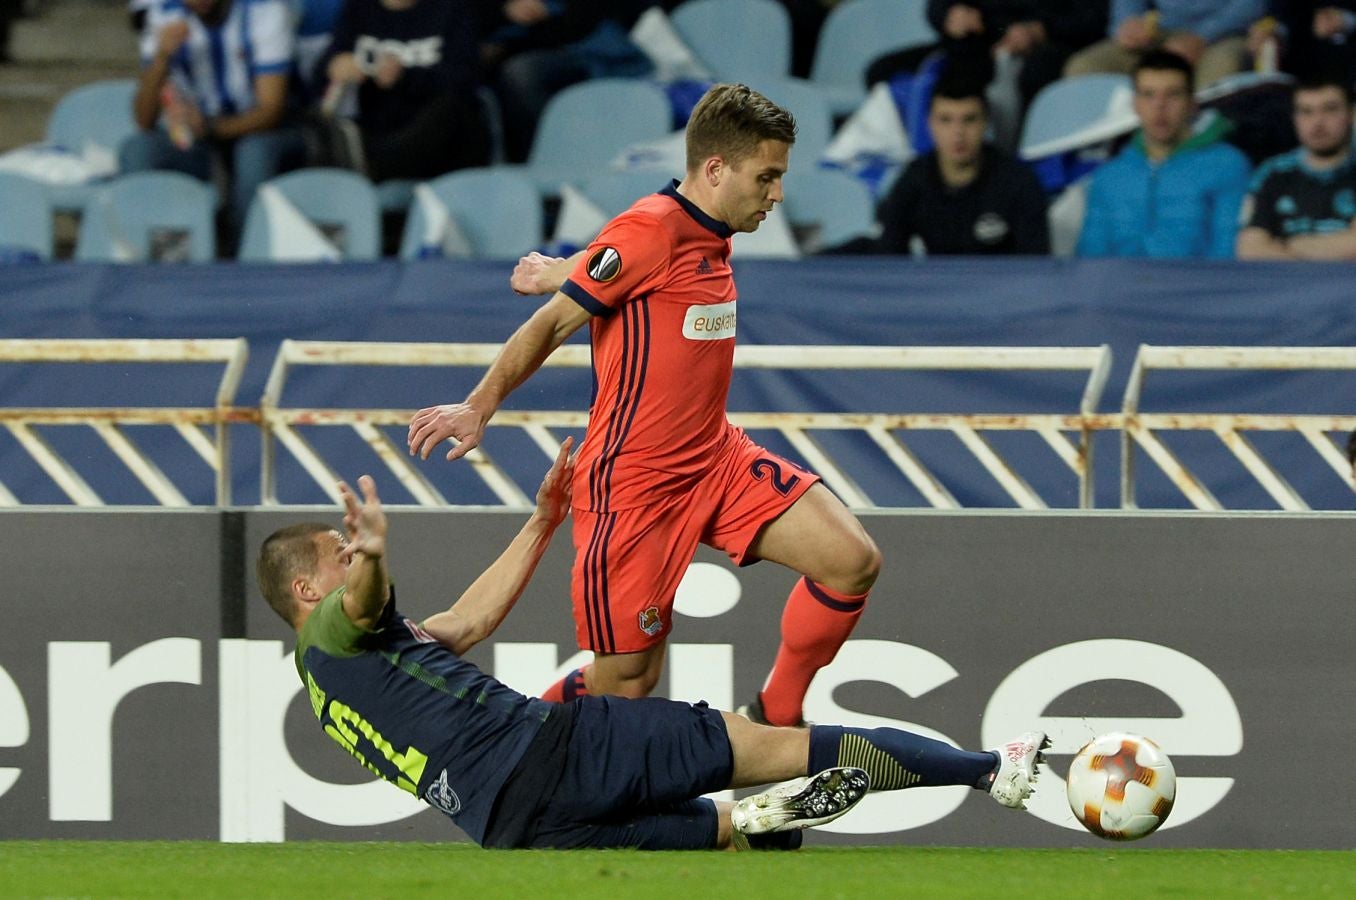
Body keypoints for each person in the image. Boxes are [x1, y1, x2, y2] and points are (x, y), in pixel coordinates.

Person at [256, 441, 1049, 849]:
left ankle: (761, 826)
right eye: (338, 552)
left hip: (514, 828)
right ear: (307, 590)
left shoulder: (332, 685)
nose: (349, 556)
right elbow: (358, 603)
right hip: (562, 750)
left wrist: (542, 522)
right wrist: (376, 556)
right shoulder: (333, 624)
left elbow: (464, 625)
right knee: (776, 745)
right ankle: (992, 772)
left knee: (720, 829)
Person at [407, 83, 881, 729]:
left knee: (851, 561)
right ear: (716, 170)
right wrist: (478, 406)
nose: (777, 194)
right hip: (633, 486)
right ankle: (515, 754)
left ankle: (779, 711)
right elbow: (552, 321)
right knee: (626, 688)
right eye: (767, 177)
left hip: (714, 459)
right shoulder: (651, 229)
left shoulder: (708, 227)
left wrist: (564, 266)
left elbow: (620, 266)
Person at [120, 0, 309, 244]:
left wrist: (209, 127)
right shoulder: (164, 15)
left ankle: (247, 256)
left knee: (252, 154)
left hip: (269, 133)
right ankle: (138, 260)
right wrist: (161, 58)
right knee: (138, 149)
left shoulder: (264, 9)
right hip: (201, 140)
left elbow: (271, 112)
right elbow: (143, 121)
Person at [1077, 50, 1252, 259]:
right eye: (1148, 94)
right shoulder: (1108, 177)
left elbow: (1227, 253)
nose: (1159, 107)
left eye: (1173, 94)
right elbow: (1089, 259)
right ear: (1135, 104)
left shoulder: (1227, 165)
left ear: (1191, 104)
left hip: (1196, 288)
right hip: (1120, 288)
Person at [874, 74, 1049, 255]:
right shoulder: (913, 181)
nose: (958, 133)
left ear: (985, 123)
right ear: (930, 124)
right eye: (945, 120)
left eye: (969, 119)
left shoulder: (1019, 182)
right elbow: (889, 258)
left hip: (1003, 283)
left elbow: (1037, 266)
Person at [316, 0, 490, 183]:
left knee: (450, 110)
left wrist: (404, 76)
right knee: (326, 125)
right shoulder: (358, 9)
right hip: (376, 130)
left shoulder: (452, 9)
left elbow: (466, 81)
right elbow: (321, 75)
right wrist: (335, 65)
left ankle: (372, 165)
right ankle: (364, 163)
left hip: (439, 136)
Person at [1237, 74, 1356, 259]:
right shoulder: (1273, 172)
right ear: (1294, 118)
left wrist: (1287, 245)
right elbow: (1249, 249)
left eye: (1330, 109)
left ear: (1352, 113)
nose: (1318, 122)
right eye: (1306, 111)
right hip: (1285, 287)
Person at [1064, 0, 1268, 89]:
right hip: (1160, 31)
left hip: (1225, 34)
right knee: (1084, 67)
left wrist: (1200, 37)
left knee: (1224, 65)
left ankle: (1201, 149)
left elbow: (1251, 6)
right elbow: (1127, 9)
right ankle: (1101, 153)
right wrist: (1127, 25)